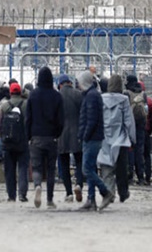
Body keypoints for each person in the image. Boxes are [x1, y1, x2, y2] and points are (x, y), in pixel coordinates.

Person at [25, 67, 64, 209]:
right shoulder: (57, 96)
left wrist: (28, 135)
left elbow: (28, 118)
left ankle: (37, 186)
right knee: (51, 169)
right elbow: (61, 120)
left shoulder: (33, 95)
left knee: (36, 167)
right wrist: (57, 134)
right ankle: (50, 199)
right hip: (51, 136)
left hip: (36, 136)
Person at [78, 70, 114, 211]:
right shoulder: (93, 94)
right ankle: (91, 199)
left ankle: (105, 192)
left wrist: (85, 135)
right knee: (91, 167)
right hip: (95, 136)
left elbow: (91, 119)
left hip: (92, 138)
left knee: (86, 169)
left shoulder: (91, 96)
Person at [98, 75, 135, 203]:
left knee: (106, 166)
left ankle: (109, 192)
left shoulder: (101, 99)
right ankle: (123, 192)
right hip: (121, 138)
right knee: (121, 168)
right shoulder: (124, 100)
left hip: (105, 137)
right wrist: (132, 138)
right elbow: (129, 121)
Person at [0, 83, 30, 202]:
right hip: (22, 141)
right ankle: (22, 194)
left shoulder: (5, 105)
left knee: (9, 170)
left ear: (10, 92)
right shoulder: (26, 104)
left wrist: (3, 137)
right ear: (20, 92)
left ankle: (11, 195)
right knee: (23, 168)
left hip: (8, 142)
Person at [57, 74, 84, 203]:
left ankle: (68, 193)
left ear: (60, 85)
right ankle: (79, 184)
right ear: (70, 83)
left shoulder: (57, 96)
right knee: (79, 161)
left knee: (64, 163)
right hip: (77, 132)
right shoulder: (79, 94)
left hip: (61, 134)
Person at [125, 75, 148, 185]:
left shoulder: (126, 93)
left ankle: (129, 176)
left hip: (130, 125)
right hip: (141, 125)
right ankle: (141, 177)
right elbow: (146, 109)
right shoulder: (143, 93)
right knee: (139, 150)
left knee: (130, 149)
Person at [142, 83, 152, 185]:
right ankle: (148, 176)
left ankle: (137, 175)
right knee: (147, 154)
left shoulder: (130, 99)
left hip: (134, 130)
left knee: (135, 154)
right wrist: (149, 130)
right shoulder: (150, 101)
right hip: (146, 131)